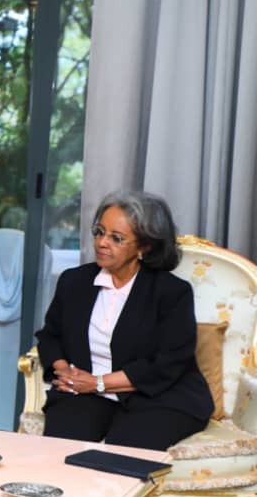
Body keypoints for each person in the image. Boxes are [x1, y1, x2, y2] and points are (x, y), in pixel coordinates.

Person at [36, 189, 214, 451]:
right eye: (99, 232)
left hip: (160, 398)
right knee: (60, 451)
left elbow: (168, 364)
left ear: (144, 247)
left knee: (123, 454)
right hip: (84, 392)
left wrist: (98, 383)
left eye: (116, 238)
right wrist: (66, 373)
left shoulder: (172, 292)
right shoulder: (74, 281)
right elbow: (50, 336)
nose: (102, 243)